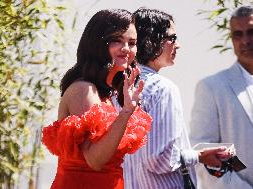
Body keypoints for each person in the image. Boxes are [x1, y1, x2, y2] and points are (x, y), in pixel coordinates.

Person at [123, 8, 233, 189]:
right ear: (153, 39)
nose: (178, 45)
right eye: (172, 38)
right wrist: (200, 155)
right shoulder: (162, 88)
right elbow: (159, 160)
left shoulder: (121, 87)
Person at [41, 9, 152, 189]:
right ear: (98, 43)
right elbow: (95, 160)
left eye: (131, 43)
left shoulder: (107, 92)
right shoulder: (84, 89)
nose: (126, 48)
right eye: (117, 40)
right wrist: (125, 114)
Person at [190, 5, 253, 189]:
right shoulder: (212, 88)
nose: (245, 41)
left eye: (251, 32)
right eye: (238, 34)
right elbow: (203, 151)